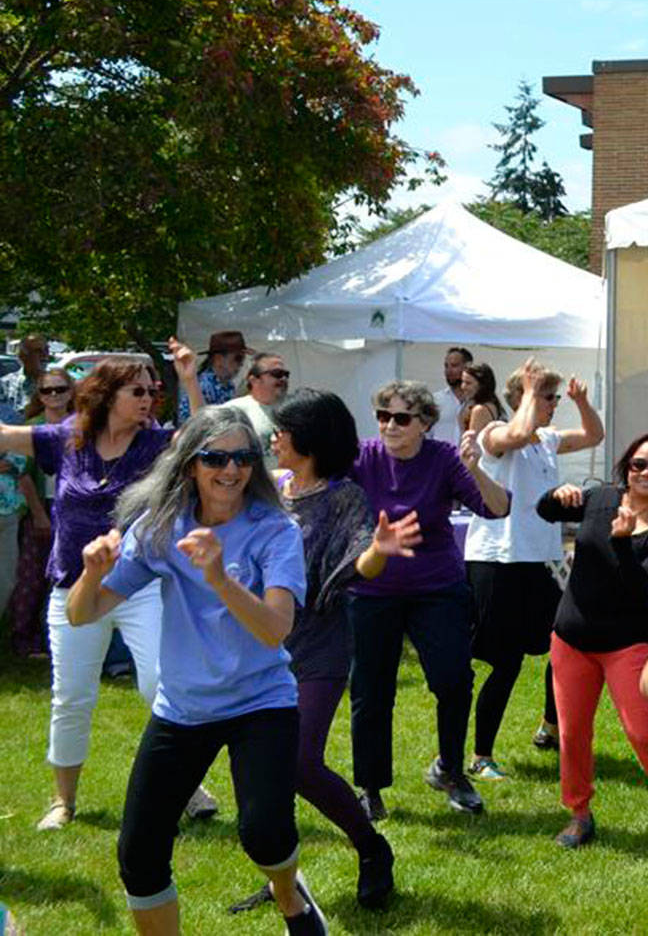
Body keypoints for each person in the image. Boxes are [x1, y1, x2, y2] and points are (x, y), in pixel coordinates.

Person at [65, 406, 325, 934]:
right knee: (138, 852)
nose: (231, 469)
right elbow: (82, 614)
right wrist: (91, 576)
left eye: (243, 457)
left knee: (265, 835)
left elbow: (276, 628)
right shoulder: (162, 527)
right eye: (215, 457)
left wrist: (219, 578)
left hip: (261, 702)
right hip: (184, 707)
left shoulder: (276, 530)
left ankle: (291, 900)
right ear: (190, 465)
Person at [0, 344, 208, 830]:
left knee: (162, 684)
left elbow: (203, 438)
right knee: (72, 696)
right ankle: (63, 801)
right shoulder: (68, 438)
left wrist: (189, 380)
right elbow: (6, 436)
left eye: (153, 391)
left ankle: (185, 786)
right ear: (107, 394)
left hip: (139, 587)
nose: (149, 399)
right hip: (73, 589)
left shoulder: (155, 444)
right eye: (137, 390)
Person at [227, 390, 417, 916]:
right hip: (263, 648)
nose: (273, 438)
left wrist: (378, 551)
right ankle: (282, 881)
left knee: (299, 762)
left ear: (306, 439)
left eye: (282, 430)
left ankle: (371, 847)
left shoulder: (344, 498)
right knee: (264, 776)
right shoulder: (267, 491)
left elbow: (360, 563)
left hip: (318, 649)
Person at [346, 380, 510, 818]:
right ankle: (371, 788)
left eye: (401, 418)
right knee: (370, 690)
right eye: (383, 416)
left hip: (436, 588)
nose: (390, 425)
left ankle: (452, 771)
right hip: (373, 589)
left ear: (425, 424)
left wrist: (475, 468)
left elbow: (498, 508)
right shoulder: (362, 456)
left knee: (454, 680)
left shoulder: (443, 458)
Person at [535, 431, 648, 847]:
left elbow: (638, 587)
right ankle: (579, 814)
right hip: (572, 637)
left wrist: (622, 542)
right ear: (626, 468)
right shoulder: (602, 499)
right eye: (638, 464)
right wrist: (555, 493)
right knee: (572, 732)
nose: (646, 472)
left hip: (626, 643)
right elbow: (544, 511)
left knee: (643, 733)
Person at [465, 362, 601, 781]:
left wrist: (581, 402)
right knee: (505, 663)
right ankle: (481, 756)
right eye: (548, 397)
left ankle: (549, 728)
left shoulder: (546, 438)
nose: (553, 405)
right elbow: (517, 434)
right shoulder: (495, 434)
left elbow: (593, 435)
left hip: (539, 560)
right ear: (524, 397)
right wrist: (527, 390)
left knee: (565, 644)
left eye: (555, 397)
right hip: (497, 561)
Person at [10, 367, 67, 656]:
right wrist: (38, 513)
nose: (54, 395)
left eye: (60, 389)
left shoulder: (82, 426)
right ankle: (24, 638)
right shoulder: (32, 427)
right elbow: (23, 474)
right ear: (40, 396)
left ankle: (57, 640)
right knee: (31, 575)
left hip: (71, 509)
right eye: (48, 390)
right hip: (41, 505)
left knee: (64, 576)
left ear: (71, 393)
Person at [225, 354, 290, 470]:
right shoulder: (233, 409)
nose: (283, 379)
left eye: (286, 375)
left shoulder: (293, 408)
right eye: (277, 374)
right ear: (254, 380)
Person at [176, 331, 247, 423]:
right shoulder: (203, 385)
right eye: (238, 358)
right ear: (219, 359)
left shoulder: (229, 385)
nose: (241, 364)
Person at [430, 348, 473, 447]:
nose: (448, 371)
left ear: (468, 367)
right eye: (446, 366)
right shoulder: (435, 400)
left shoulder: (480, 402)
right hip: (440, 459)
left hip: (469, 459)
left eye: (454, 365)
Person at [458, 362, 503, 437]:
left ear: (482, 385)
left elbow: (472, 441)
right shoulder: (491, 403)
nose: (463, 386)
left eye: (468, 383)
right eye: (462, 382)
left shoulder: (480, 410)